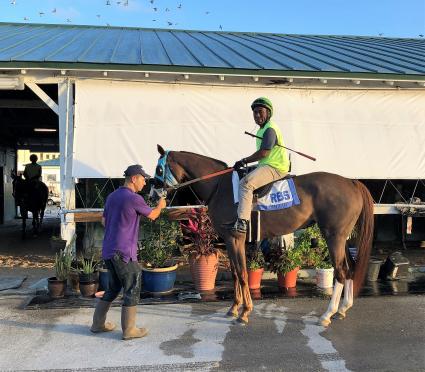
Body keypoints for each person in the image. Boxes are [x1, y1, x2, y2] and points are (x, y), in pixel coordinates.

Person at [90, 164, 166, 340]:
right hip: (123, 252)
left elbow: (104, 221)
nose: (145, 182)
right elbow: (153, 215)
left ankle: (97, 324)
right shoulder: (134, 198)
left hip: (109, 251)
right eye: (143, 178)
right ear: (134, 178)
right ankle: (129, 330)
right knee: (133, 286)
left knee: (114, 287)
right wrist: (161, 204)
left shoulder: (111, 196)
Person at [232, 97, 290, 233]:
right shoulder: (261, 130)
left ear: (268, 113)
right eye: (255, 113)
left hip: (276, 167)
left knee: (246, 183)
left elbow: (264, 153)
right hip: (266, 164)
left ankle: (242, 222)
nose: (257, 115)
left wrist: (244, 161)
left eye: (260, 112)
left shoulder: (270, 129)